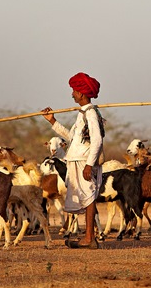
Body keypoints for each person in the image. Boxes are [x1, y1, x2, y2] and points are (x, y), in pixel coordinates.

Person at [41, 72, 105, 249]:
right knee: (86, 196)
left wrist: (89, 165)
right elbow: (72, 137)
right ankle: (88, 237)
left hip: (84, 161)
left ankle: (89, 238)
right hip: (77, 159)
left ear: (82, 94)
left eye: (74, 91)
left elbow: (97, 140)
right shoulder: (82, 114)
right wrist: (52, 121)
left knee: (89, 196)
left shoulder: (90, 114)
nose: (72, 94)